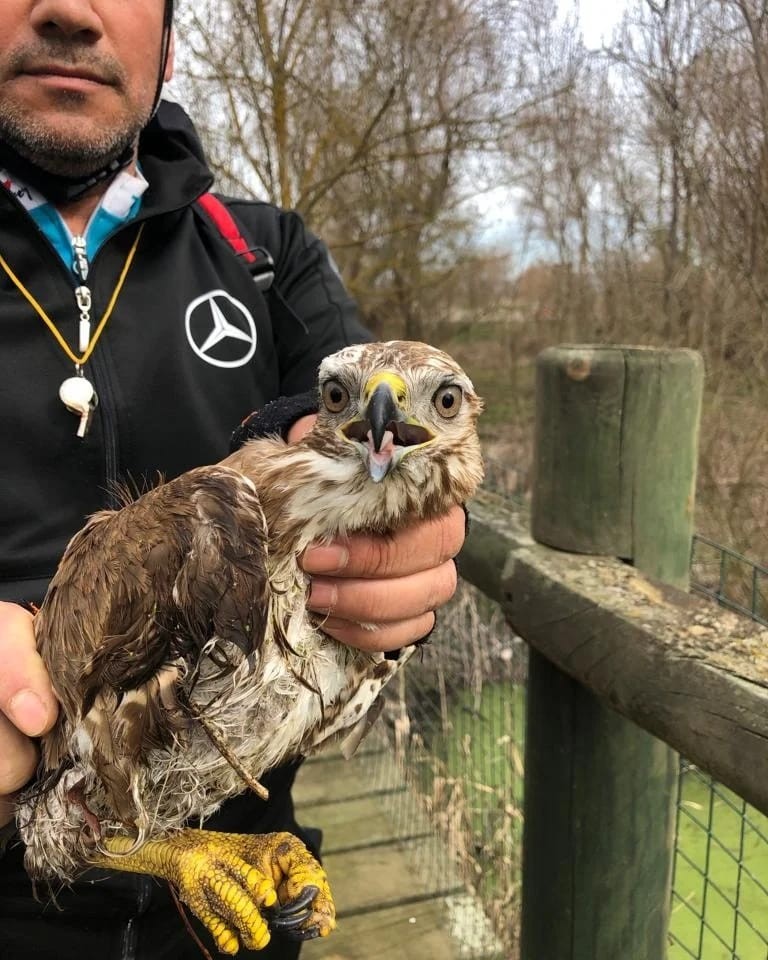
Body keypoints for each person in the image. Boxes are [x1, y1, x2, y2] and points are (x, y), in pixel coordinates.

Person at [0, 1, 467, 958]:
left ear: (169, 40)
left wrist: (390, 544)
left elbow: (340, 400)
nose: (67, 10)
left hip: (242, 893)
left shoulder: (264, 252)